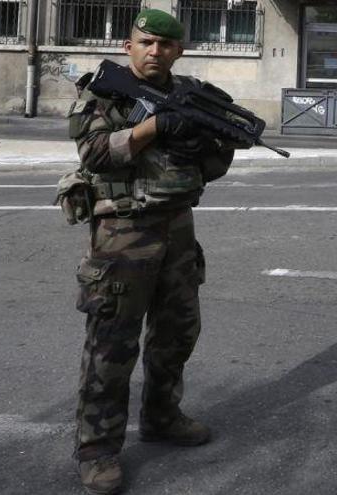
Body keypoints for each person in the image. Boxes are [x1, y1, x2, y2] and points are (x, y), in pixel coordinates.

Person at [68, 9, 235, 494]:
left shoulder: (191, 97)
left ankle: (162, 416)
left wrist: (206, 138)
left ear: (179, 50)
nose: (155, 52)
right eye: (146, 43)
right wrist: (156, 127)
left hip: (178, 229)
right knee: (112, 346)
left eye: (165, 45)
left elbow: (210, 168)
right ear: (128, 46)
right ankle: (97, 450)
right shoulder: (105, 93)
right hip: (122, 234)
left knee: (177, 334)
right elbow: (94, 154)